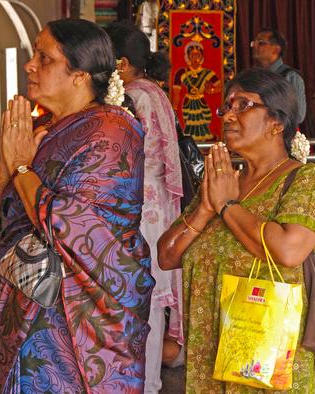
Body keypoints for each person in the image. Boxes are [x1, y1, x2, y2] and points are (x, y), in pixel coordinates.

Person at [0, 19, 153, 393]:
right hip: (26, 301)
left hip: (77, 318)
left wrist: (24, 167)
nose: (30, 66)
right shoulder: (44, 129)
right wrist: (6, 164)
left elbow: (71, 225)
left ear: (79, 74)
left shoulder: (110, 133)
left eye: (44, 58)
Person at [157, 68, 315, 392]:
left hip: (275, 366)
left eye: (244, 105)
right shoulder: (223, 182)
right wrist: (205, 208)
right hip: (212, 362)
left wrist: (228, 207)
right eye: (226, 106)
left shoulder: (306, 181)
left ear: (277, 122)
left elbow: (288, 250)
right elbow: (167, 255)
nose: (228, 114)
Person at [107, 24, 185, 393]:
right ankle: (148, 381)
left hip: (140, 204)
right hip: (157, 205)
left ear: (120, 64)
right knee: (149, 305)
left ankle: (144, 383)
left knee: (139, 303)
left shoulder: (132, 97)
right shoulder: (155, 92)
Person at [251, 28, 306, 124]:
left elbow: (298, 115)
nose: (254, 46)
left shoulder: (290, 77)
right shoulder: (253, 77)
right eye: (253, 43)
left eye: (261, 43)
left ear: (276, 49)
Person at [172, 41, 221, 141]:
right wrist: (174, 108)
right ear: (188, 56)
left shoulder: (207, 73)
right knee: (189, 126)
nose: (195, 57)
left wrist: (210, 90)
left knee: (204, 123)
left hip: (201, 102)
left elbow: (220, 87)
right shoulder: (181, 73)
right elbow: (176, 92)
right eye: (192, 55)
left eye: (198, 55)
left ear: (202, 56)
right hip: (188, 103)